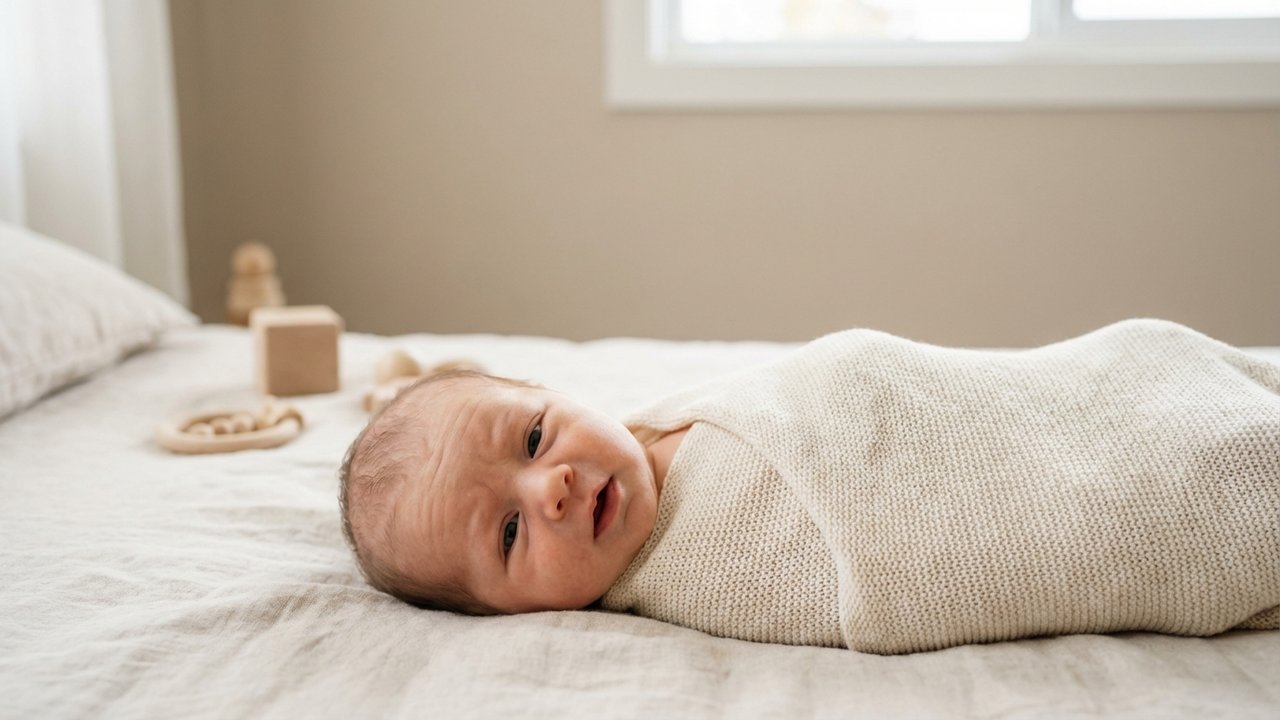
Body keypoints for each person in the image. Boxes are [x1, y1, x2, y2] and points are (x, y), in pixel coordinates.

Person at [338, 319, 1280, 654]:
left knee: (1146, 369)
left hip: (1071, 388)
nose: (549, 487)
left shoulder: (658, 422)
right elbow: (932, 554)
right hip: (1116, 485)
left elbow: (870, 386)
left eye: (536, 435)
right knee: (1207, 477)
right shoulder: (703, 573)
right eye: (508, 535)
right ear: (500, 614)